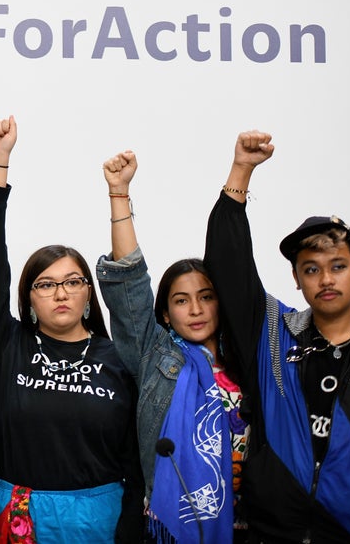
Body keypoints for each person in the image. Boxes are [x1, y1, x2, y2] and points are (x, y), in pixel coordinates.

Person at [0, 117, 140, 543]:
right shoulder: (9, 346)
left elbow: (138, 462)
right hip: (14, 519)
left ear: (88, 293)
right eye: (45, 284)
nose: (60, 292)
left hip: (98, 521)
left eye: (73, 281)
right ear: (28, 297)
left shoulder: (121, 358)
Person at [202, 130, 350, 542]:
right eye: (311, 269)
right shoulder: (273, 334)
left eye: (338, 265)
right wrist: (241, 170)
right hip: (271, 534)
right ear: (297, 280)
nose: (326, 278)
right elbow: (227, 265)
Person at [95, 150, 248, 543]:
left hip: (252, 523)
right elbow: (129, 282)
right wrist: (118, 194)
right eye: (181, 300)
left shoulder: (253, 357)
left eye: (206, 296)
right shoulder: (156, 355)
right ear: (165, 314)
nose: (195, 309)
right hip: (171, 525)